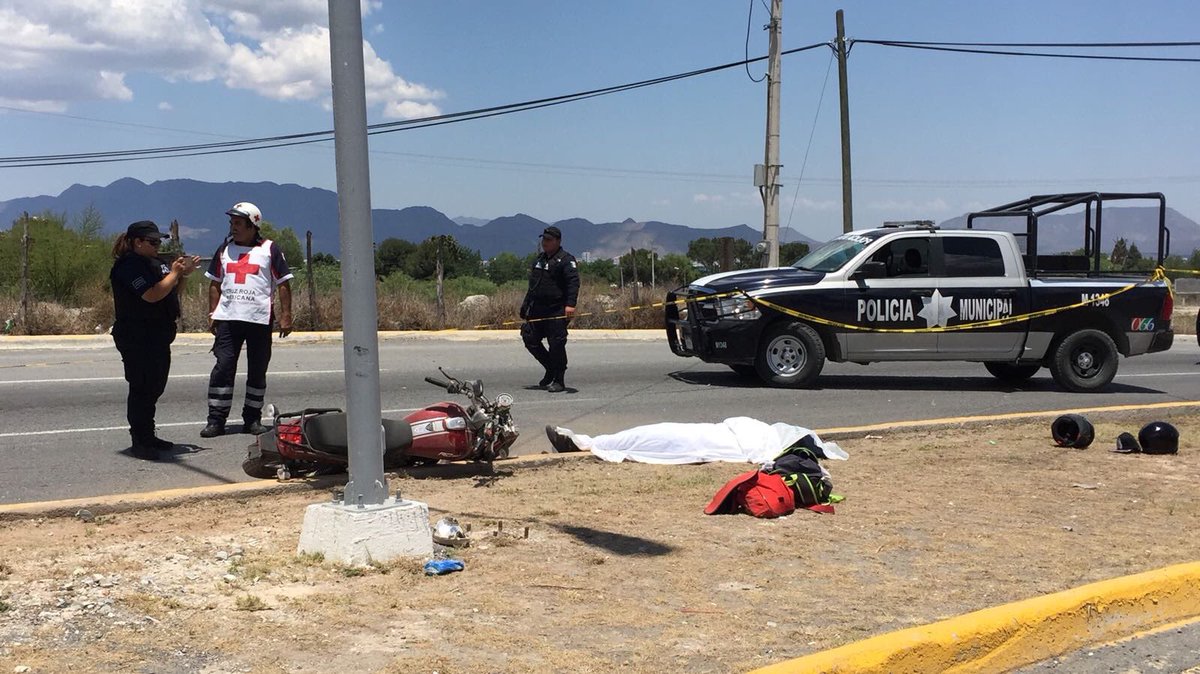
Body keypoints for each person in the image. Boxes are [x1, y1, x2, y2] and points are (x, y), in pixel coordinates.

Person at [200, 202, 294, 438]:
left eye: (239, 223)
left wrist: (286, 315)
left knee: (257, 370)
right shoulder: (224, 250)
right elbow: (214, 283)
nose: (234, 228)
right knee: (223, 368)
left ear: (253, 225)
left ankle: (252, 419)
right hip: (229, 319)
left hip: (259, 320)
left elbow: (283, 283)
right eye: (232, 223)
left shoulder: (270, 249)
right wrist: (213, 313)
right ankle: (216, 420)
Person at [109, 221, 201, 460]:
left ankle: (148, 435)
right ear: (137, 242)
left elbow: (170, 291)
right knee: (142, 387)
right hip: (137, 334)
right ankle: (139, 441)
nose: (157, 246)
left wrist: (182, 276)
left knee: (155, 387)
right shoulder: (129, 265)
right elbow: (151, 295)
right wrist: (174, 273)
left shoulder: (156, 263)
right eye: (152, 242)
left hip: (158, 334)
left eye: (159, 241)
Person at [520, 225, 579, 393]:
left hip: (556, 310)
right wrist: (525, 305)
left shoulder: (566, 260)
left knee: (557, 344)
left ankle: (559, 380)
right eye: (543, 239)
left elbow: (573, 283)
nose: (544, 243)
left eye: (548, 240)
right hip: (538, 309)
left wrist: (570, 305)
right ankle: (550, 368)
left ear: (557, 241)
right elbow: (533, 286)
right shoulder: (539, 260)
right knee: (529, 338)